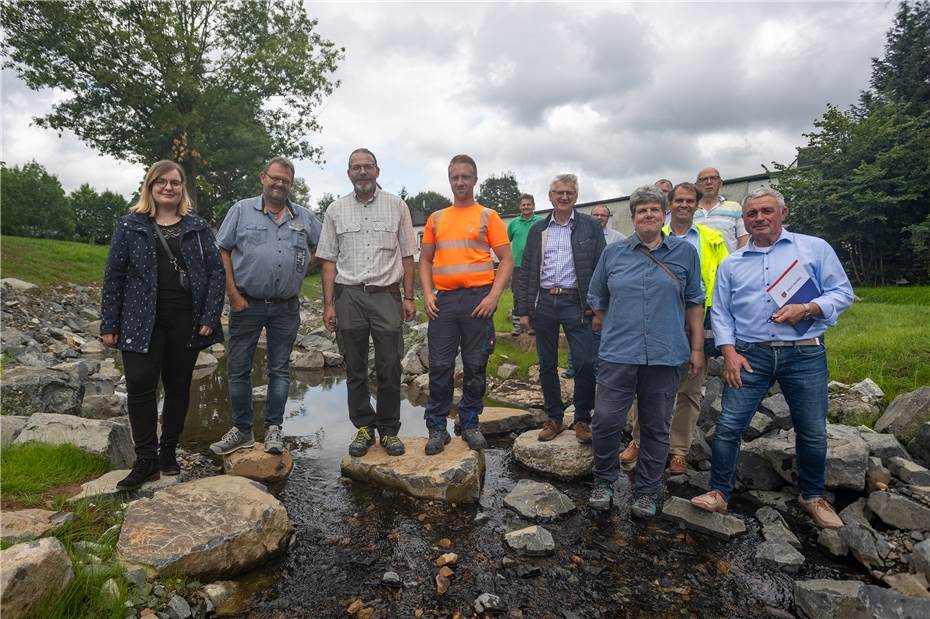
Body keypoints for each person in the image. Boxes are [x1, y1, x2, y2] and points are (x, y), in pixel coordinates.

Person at [691, 187, 854, 529]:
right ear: (744, 220)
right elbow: (721, 312)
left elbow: (842, 292)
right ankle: (719, 493)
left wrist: (808, 307)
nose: (759, 218)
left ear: (783, 213)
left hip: (804, 353)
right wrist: (729, 352)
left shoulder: (813, 248)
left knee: (811, 432)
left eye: (766, 211)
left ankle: (812, 495)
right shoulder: (733, 262)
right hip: (750, 355)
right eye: (752, 214)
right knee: (729, 426)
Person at [101, 160, 225, 489]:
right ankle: (146, 460)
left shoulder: (197, 227)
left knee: (178, 386)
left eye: (175, 182)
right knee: (140, 384)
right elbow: (113, 275)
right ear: (150, 186)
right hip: (140, 319)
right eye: (161, 182)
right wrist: (109, 322)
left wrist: (209, 318)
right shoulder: (130, 225)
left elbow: (216, 274)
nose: (168, 187)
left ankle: (168, 450)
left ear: (182, 188)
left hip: (185, 318)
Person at [587, 185, 704, 519]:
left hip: (666, 354)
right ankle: (604, 482)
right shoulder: (614, 254)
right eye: (642, 211)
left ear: (664, 214)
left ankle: (647, 491)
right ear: (633, 216)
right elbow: (598, 298)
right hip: (618, 354)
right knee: (606, 421)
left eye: (654, 209)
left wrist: (697, 348)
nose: (648, 215)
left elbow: (695, 302)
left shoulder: (684, 254)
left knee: (656, 426)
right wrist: (617, 326)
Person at [209, 156, 322, 456]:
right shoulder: (241, 210)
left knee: (279, 370)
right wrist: (232, 294)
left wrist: (303, 266)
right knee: (238, 369)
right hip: (246, 303)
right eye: (274, 178)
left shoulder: (304, 218)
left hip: (286, 307)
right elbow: (221, 249)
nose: (279, 184)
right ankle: (243, 430)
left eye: (285, 180)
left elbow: (326, 249)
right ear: (263, 177)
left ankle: (274, 430)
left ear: (291, 184)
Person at [621, 182, 728, 475]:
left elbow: (723, 281)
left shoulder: (712, 239)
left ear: (696, 204)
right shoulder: (653, 236)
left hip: (699, 319)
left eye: (688, 200)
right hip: (655, 320)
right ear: (669, 206)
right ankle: (639, 441)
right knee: (649, 387)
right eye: (677, 200)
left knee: (690, 389)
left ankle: (679, 449)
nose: (683, 205)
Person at [316, 148, 417, 458]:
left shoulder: (397, 205)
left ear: (377, 171)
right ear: (348, 173)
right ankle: (363, 427)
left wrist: (409, 296)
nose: (362, 172)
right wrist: (329, 304)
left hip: (386, 294)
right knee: (355, 366)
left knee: (389, 365)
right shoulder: (335, 209)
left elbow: (408, 255)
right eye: (356, 167)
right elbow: (329, 260)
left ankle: (388, 430)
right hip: (349, 296)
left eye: (367, 167)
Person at [419, 154, 514, 455]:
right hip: (444, 303)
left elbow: (507, 260)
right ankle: (437, 427)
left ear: (474, 179)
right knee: (440, 367)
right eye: (455, 177)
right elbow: (424, 260)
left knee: (475, 365)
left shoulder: (489, 216)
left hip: (477, 302)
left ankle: (469, 422)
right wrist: (427, 294)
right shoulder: (436, 218)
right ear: (450, 180)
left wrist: (493, 296)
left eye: (465, 176)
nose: (460, 182)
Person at [515, 174, 605, 443]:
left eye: (569, 192)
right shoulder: (538, 230)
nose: (564, 197)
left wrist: (599, 309)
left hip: (576, 303)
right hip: (544, 302)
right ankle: (553, 417)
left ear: (576, 196)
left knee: (586, 362)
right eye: (559, 192)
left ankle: (582, 420)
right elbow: (527, 271)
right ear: (550, 196)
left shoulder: (590, 227)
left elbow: (602, 270)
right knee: (546, 364)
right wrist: (523, 310)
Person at [507, 194, 542, 336]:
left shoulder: (540, 221)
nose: (526, 207)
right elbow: (504, 242)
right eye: (523, 205)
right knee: (518, 294)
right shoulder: (513, 224)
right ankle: (517, 324)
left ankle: (532, 325)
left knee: (534, 293)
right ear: (520, 207)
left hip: (536, 265)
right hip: (517, 266)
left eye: (529, 204)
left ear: (533, 206)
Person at [694, 167, 749, 251]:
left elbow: (743, 239)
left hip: (728, 263)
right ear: (696, 186)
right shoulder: (689, 211)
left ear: (720, 183)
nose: (709, 182)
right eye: (704, 179)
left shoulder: (735, 208)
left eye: (713, 178)